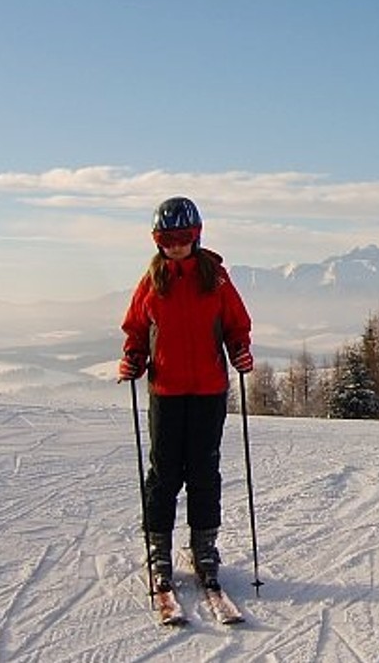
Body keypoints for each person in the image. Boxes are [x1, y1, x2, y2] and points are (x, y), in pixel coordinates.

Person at [118, 196, 253, 592]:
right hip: (166, 389)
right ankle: (158, 546)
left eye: (183, 236)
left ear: (196, 236)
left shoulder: (216, 279)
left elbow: (236, 324)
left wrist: (240, 350)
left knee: (203, 471)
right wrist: (133, 358)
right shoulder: (152, 281)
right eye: (167, 238)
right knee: (164, 473)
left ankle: (204, 546)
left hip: (209, 390)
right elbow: (137, 329)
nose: (176, 244)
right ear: (158, 241)